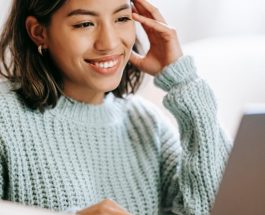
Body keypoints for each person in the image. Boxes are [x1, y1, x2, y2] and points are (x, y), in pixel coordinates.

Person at [0, 0, 232, 214]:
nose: (109, 43)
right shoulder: (5, 116)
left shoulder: (147, 123)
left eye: (122, 19)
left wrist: (183, 81)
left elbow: (220, 207)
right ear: (39, 32)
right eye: (85, 24)